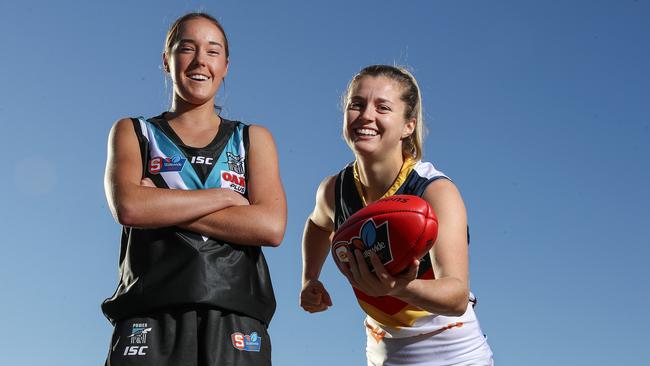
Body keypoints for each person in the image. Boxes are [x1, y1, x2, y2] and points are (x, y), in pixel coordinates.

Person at [102, 12, 286, 366]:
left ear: (226, 65)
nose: (201, 60)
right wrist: (225, 199)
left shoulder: (252, 139)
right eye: (187, 48)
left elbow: (270, 226)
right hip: (149, 317)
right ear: (166, 61)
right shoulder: (133, 131)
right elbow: (130, 207)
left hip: (235, 319)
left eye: (213, 51)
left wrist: (161, 203)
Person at [300, 65, 493, 365]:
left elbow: (456, 296)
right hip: (383, 352)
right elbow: (317, 224)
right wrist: (309, 278)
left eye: (383, 107)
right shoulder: (334, 190)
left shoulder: (434, 191)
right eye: (357, 104)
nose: (366, 115)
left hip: (451, 352)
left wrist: (402, 288)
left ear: (408, 126)